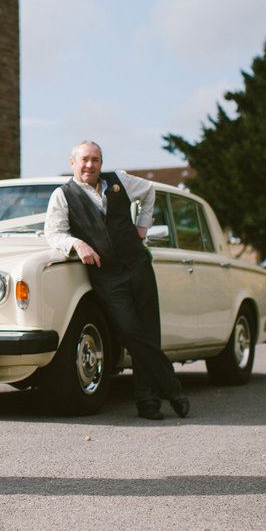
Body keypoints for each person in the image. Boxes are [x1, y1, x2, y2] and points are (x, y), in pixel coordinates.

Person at [44, 140, 190, 420]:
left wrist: (142, 228)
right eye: (84, 159)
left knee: (149, 333)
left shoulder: (118, 180)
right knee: (131, 333)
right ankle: (172, 389)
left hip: (139, 266)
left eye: (95, 160)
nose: (90, 165)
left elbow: (149, 191)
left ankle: (148, 404)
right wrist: (76, 244)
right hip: (107, 275)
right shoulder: (62, 196)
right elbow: (54, 233)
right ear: (72, 162)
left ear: (101, 162)